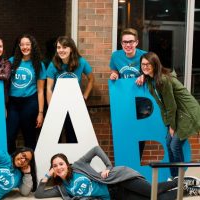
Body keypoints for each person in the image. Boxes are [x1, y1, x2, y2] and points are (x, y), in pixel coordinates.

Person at [35, 145, 185, 200]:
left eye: (61, 164)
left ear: (67, 164)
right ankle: (185, 189)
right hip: (116, 196)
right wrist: (48, 175)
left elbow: (96, 149)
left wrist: (108, 166)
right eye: (55, 166)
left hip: (118, 180)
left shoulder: (78, 165)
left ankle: (180, 181)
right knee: (155, 199)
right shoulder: (62, 188)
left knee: (153, 191)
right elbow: (39, 194)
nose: (59, 167)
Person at [140, 52, 200, 179]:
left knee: (175, 145)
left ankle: (181, 179)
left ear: (155, 65)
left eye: (148, 64)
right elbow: (163, 106)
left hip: (187, 112)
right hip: (177, 113)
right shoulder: (151, 80)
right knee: (168, 143)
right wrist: (168, 124)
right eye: (143, 64)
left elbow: (171, 105)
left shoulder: (163, 79)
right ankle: (174, 178)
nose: (145, 66)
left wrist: (172, 126)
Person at [46, 36, 94, 143]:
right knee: (54, 138)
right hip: (57, 104)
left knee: (72, 136)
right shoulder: (53, 64)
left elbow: (91, 79)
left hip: (75, 104)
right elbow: (49, 88)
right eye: (59, 47)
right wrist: (51, 107)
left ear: (71, 48)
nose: (61, 50)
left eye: (64, 47)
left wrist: (85, 96)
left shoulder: (81, 62)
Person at [109, 28, 147, 160]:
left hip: (141, 102)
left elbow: (153, 74)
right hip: (124, 101)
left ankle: (137, 161)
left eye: (131, 41)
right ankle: (126, 162)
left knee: (140, 133)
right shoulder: (116, 56)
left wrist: (145, 76)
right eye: (125, 42)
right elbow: (115, 71)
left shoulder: (145, 56)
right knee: (125, 132)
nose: (128, 45)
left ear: (137, 42)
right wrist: (114, 74)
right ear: (121, 43)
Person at [6, 34, 46, 154]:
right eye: (22, 44)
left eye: (27, 44)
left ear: (32, 46)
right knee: (9, 136)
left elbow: (40, 91)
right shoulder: (11, 61)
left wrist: (40, 113)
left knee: (29, 137)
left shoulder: (38, 64)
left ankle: (30, 168)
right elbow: (4, 83)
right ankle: (11, 165)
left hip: (30, 103)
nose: (25, 47)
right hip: (13, 103)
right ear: (19, 46)